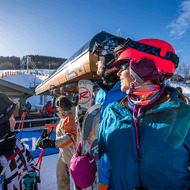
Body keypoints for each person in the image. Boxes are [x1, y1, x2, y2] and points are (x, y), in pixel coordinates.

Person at [71, 38, 190, 190]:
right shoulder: (112, 113)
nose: (118, 72)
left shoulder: (184, 116)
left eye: (124, 65)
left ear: (144, 67)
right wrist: (82, 164)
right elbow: (96, 150)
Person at [70, 37, 127, 189]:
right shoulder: (101, 93)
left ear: (110, 59)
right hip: (98, 172)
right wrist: (85, 125)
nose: (97, 63)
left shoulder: (127, 93)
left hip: (118, 176)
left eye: (99, 58)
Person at [0, 93, 40, 189]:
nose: (14, 120)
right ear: (3, 124)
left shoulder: (16, 142)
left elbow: (30, 161)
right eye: (11, 117)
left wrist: (33, 176)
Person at [38, 96, 77, 190]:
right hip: (63, 152)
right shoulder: (64, 117)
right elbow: (62, 129)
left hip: (70, 153)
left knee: (76, 179)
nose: (56, 108)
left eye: (57, 106)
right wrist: (48, 129)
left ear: (61, 106)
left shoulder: (69, 117)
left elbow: (71, 137)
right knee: (61, 175)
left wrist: (53, 143)